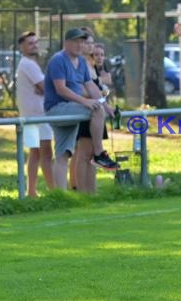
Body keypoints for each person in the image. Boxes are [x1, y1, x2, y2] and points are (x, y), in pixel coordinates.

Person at [44, 28, 119, 190]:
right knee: (96, 110)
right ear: (66, 43)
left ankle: (61, 196)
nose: (80, 45)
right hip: (57, 108)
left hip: (71, 109)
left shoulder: (82, 62)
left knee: (63, 154)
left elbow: (91, 86)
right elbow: (61, 89)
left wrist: (107, 106)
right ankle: (99, 153)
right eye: (76, 41)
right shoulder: (58, 60)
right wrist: (85, 102)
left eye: (82, 42)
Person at [70, 28, 111, 193]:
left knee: (93, 155)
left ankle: (92, 191)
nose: (91, 46)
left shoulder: (92, 66)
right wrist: (99, 92)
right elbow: (78, 89)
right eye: (87, 43)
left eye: (92, 43)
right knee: (84, 154)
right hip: (86, 112)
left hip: (96, 112)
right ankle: (82, 191)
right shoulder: (80, 64)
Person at [16, 31, 54, 197]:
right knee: (46, 153)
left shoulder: (28, 63)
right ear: (22, 47)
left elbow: (42, 88)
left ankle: (31, 190)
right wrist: (47, 89)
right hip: (38, 115)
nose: (34, 46)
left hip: (30, 114)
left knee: (35, 153)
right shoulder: (28, 64)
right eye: (30, 43)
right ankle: (55, 190)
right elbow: (45, 88)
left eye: (36, 42)